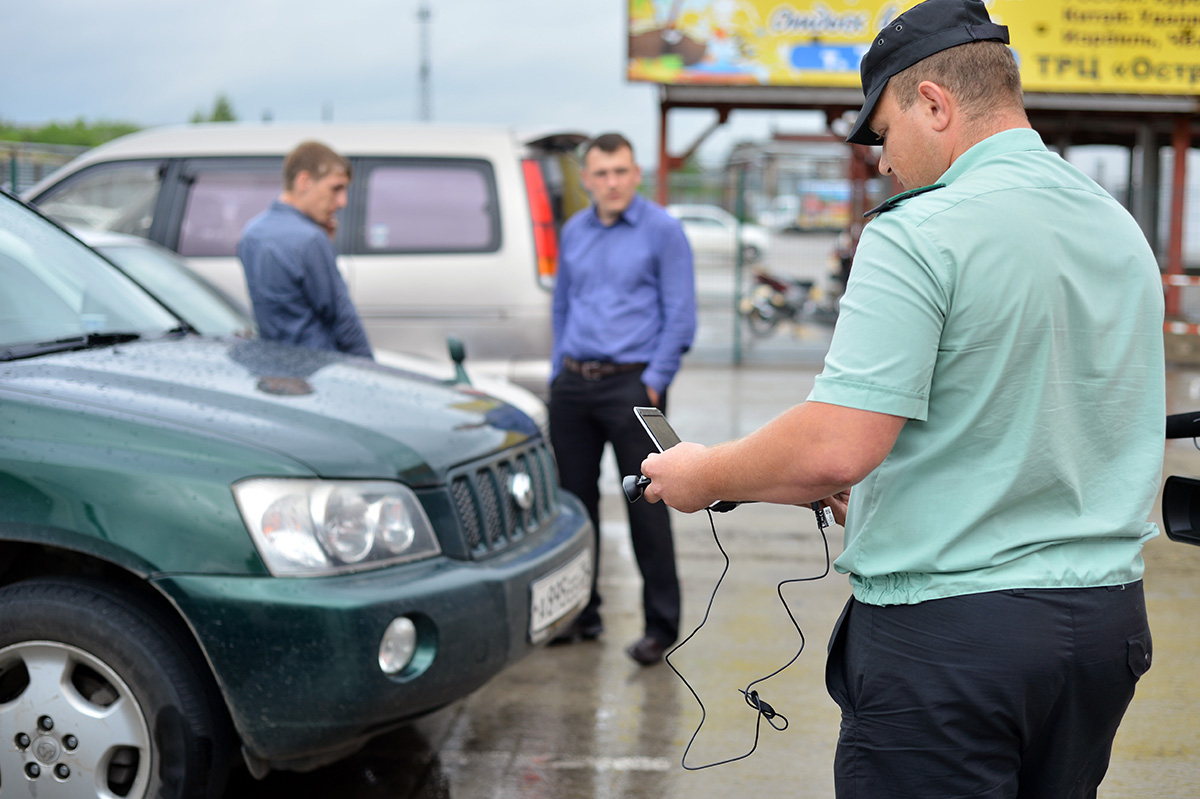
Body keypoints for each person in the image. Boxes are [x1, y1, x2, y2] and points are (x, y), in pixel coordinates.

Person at [640, 0, 1165, 794]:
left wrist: (703, 472)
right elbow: (1045, 412)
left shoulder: (919, 231)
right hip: (1103, 629)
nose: (882, 160)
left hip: (953, 641)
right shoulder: (1116, 225)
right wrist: (894, 490)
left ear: (934, 104)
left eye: (884, 132)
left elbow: (834, 446)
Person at [549, 132, 697, 666]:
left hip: (635, 386)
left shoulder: (663, 231)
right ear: (587, 179)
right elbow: (562, 305)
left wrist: (654, 380)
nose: (611, 183)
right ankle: (581, 613)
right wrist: (554, 373)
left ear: (636, 175)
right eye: (601, 173)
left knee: (649, 503)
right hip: (572, 386)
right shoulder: (574, 231)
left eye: (620, 171)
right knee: (573, 504)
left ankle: (660, 626)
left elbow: (681, 316)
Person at [238, 140, 373, 358]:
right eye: (336, 188)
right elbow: (342, 319)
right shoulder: (309, 240)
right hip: (317, 367)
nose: (342, 201)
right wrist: (371, 372)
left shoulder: (252, 233)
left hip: (275, 364)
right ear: (304, 181)